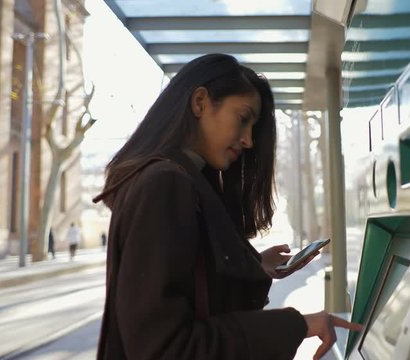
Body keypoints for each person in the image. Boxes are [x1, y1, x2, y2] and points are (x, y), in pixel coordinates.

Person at [93, 53, 361, 360]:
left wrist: (252, 265)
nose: (248, 140)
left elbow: (185, 290)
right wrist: (296, 325)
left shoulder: (170, 177)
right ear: (200, 102)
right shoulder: (166, 183)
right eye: (243, 118)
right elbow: (165, 347)